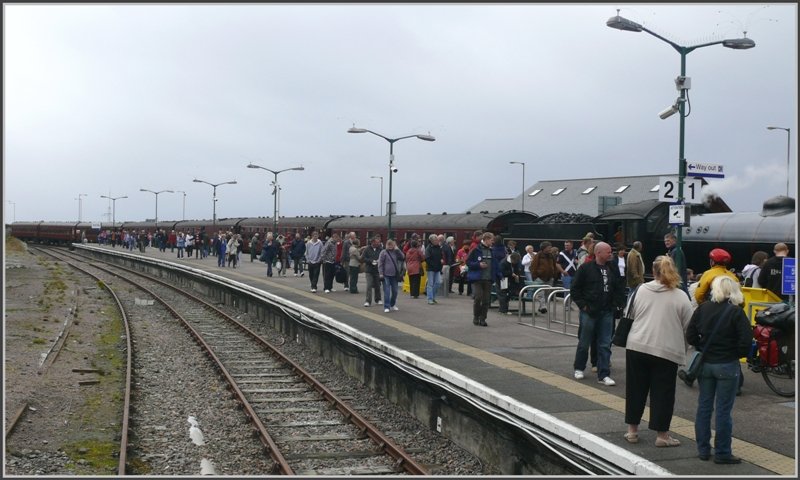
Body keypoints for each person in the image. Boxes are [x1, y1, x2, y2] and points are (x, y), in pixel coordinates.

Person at [623, 256, 693, 447]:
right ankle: (662, 436)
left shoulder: (640, 290)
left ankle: (632, 431)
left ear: (653, 272)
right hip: (666, 350)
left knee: (635, 389)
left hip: (637, 346)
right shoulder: (680, 296)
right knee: (663, 393)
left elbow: (628, 314)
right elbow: (689, 326)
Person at [686, 276, 752, 464]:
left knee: (704, 407)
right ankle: (722, 452)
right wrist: (734, 353)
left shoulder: (703, 308)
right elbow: (746, 341)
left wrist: (702, 345)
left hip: (706, 365)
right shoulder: (736, 312)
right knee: (723, 410)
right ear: (733, 290)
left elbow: (690, 335)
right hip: (727, 365)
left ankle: (703, 450)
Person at [570, 241, 626, 386]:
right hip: (589, 311)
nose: (610, 254)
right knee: (584, 341)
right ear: (598, 253)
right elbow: (575, 289)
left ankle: (604, 374)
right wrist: (584, 306)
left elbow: (618, 287)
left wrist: (617, 305)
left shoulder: (612, 269)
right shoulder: (585, 269)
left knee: (605, 343)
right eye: (608, 251)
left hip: (607, 311)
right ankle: (579, 367)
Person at [467, 232, 502, 326]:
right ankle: (476, 317)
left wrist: (499, 275)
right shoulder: (476, 249)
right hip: (477, 278)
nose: (493, 242)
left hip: (488, 279)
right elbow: (468, 262)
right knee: (478, 297)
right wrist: (478, 265)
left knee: (486, 300)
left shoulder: (492, 251)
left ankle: (483, 319)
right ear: (486, 239)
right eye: (491, 240)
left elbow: (495, 264)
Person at [378, 239, 405, 313]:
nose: (390, 246)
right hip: (385, 275)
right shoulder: (383, 252)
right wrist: (381, 273)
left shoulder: (396, 252)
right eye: (389, 244)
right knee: (387, 292)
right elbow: (380, 263)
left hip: (394, 275)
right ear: (386, 245)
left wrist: (398, 249)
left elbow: (403, 257)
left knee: (395, 291)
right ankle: (386, 306)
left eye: (392, 244)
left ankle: (392, 304)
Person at [530, 241, 557, 314]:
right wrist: (535, 275)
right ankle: (543, 307)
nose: (550, 249)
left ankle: (541, 306)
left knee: (547, 293)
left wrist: (554, 274)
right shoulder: (538, 256)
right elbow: (533, 266)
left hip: (549, 278)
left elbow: (554, 265)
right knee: (541, 293)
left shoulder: (551, 256)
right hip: (540, 278)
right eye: (549, 247)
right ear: (544, 248)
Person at [361, 235, 383, 306]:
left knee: (377, 285)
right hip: (369, 270)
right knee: (369, 285)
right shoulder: (367, 249)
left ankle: (378, 299)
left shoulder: (380, 249)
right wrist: (371, 261)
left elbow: (382, 257)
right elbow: (363, 258)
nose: (378, 243)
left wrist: (379, 261)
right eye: (377, 242)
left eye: (379, 242)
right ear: (372, 242)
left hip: (377, 270)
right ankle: (368, 301)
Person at [425, 234, 444, 305]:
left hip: (438, 268)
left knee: (438, 283)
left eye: (437, 240)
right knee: (430, 284)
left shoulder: (439, 247)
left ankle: (432, 297)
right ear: (432, 241)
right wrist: (434, 264)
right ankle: (430, 299)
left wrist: (441, 259)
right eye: (435, 240)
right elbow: (427, 258)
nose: (437, 241)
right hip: (431, 268)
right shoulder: (428, 248)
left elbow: (441, 255)